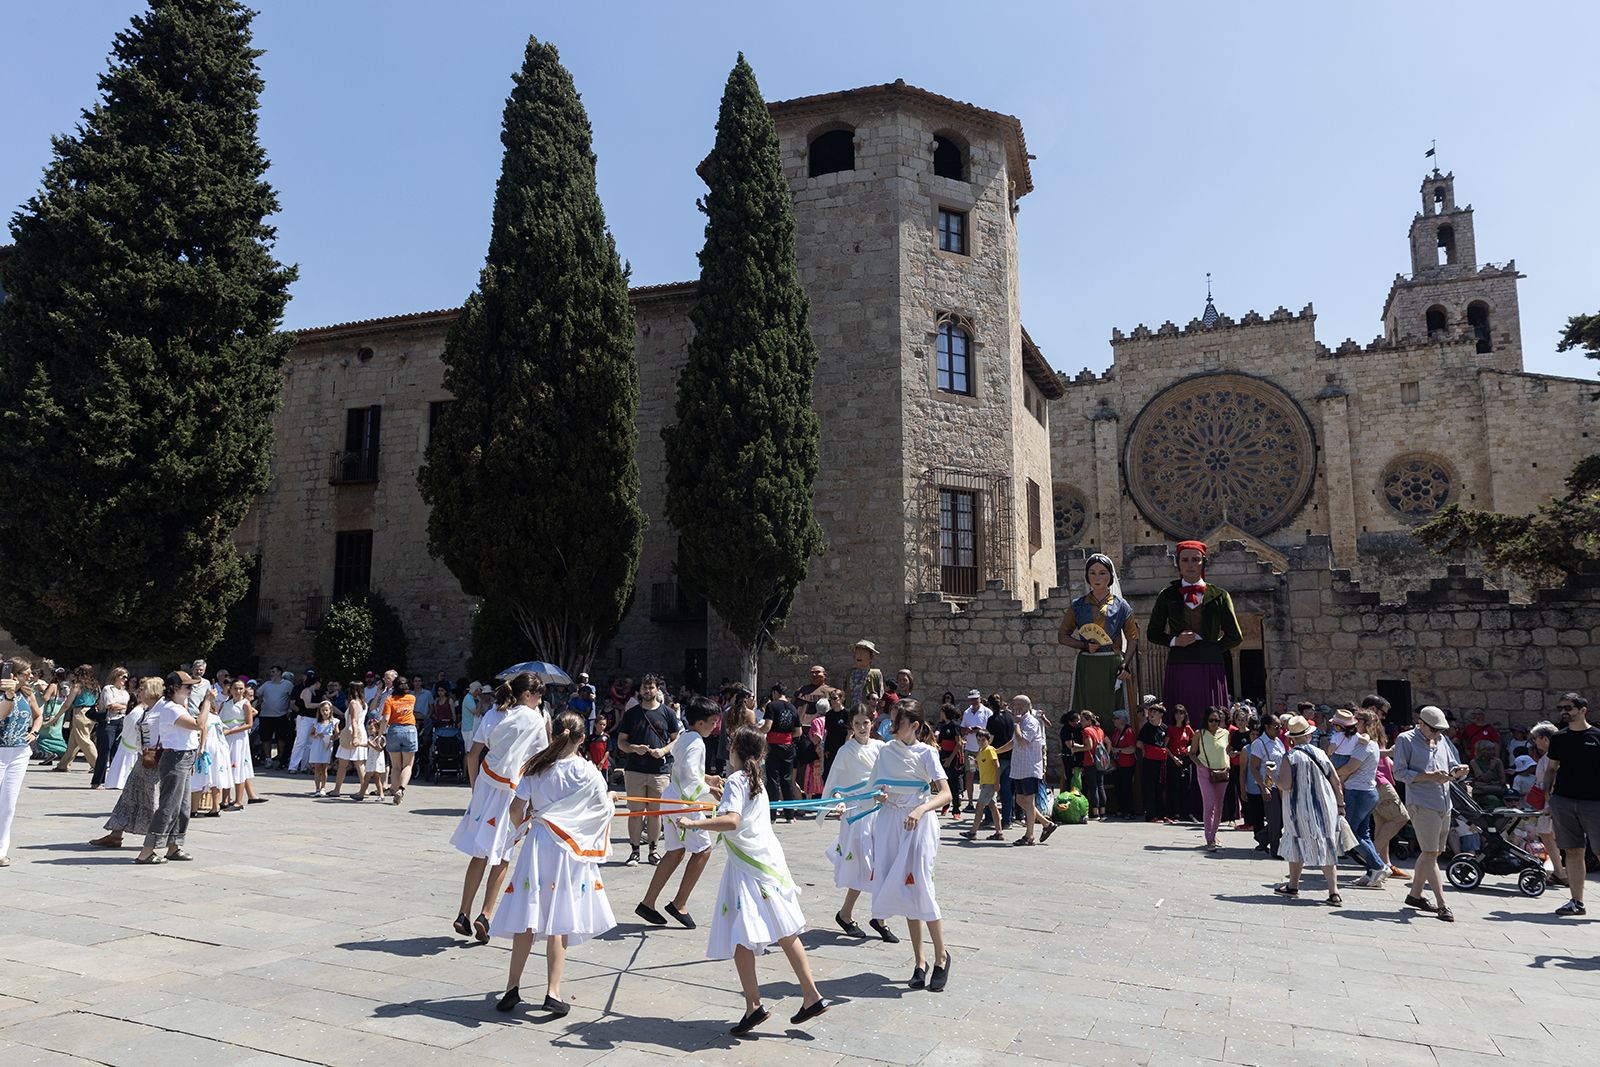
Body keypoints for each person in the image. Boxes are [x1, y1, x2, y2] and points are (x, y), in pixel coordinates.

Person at [689, 726, 829, 1037]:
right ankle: (810, 995)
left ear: (734, 750)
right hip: (766, 863)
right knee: (783, 930)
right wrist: (719, 798)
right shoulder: (755, 781)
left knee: (743, 933)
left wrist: (695, 822)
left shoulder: (738, 781)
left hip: (748, 869)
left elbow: (732, 821)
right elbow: (739, 812)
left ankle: (754, 1006)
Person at [491, 711, 617, 1017]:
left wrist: (527, 824)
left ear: (553, 734)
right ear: (581, 738)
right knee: (560, 917)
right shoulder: (588, 772)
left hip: (539, 845)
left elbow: (515, 810)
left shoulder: (536, 768)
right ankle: (552, 991)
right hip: (569, 851)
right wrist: (611, 800)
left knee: (528, 912)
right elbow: (601, 811)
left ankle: (512, 986)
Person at [452, 675, 549, 943]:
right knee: (503, 854)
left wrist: (474, 788)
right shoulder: (534, 719)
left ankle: (463, 912)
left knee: (479, 852)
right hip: (512, 790)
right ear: (528, 694)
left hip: (485, 784)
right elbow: (541, 761)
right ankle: (485, 913)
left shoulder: (493, 714)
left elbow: (472, 754)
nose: (540, 701)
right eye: (539, 696)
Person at [868, 701, 953, 992]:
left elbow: (945, 794)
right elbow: (876, 788)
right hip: (891, 821)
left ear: (914, 726)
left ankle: (941, 956)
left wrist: (920, 810)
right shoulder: (886, 751)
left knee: (921, 887)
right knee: (905, 888)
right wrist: (879, 795)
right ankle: (920, 961)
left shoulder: (927, 753)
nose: (891, 729)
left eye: (897, 723)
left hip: (918, 823)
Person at [636, 697, 722, 929]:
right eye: (713, 721)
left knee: (675, 852)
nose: (715, 725)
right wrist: (710, 789)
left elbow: (684, 770)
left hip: (671, 797)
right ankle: (679, 903)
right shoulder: (696, 742)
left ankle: (648, 902)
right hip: (684, 802)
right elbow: (690, 779)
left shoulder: (685, 736)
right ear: (701, 722)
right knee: (703, 850)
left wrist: (708, 779)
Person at [822, 704, 895, 941]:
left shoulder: (882, 748)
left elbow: (889, 778)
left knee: (881, 865)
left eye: (865, 723)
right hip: (857, 816)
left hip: (880, 813)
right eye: (857, 724)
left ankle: (878, 917)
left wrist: (887, 793)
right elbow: (835, 785)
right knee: (864, 867)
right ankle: (846, 914)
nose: (862, 728)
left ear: (872, 723)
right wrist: (838, 802)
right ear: (851, 725)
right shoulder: (846, 751)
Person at [1392, 705, 1467, 922]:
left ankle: (1415, 895)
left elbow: (1452, 766)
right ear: (1421, 724)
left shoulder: (1443, 740)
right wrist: (1430, 776)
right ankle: (1443, 904)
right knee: (1430, 853)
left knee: (1431, 853)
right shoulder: (1405, 739)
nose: (1437, 734)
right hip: (1422, 802)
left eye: (1440, 730)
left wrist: (1459, 771)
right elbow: (1399, 772)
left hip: (1444, 802)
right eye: (1433, 729)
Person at [1059, 553, 1139, 736]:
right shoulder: (1077, 606)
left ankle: (1116, 752)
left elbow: (1133, 638)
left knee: (1113, 709)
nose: (1097, 578)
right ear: (1087, 576)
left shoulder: (1122, 606)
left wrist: (1125, 664)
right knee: (1086, 708)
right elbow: (1062, 636)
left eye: (1102, 573)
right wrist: (1084, 646)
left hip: (1112, 665)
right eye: (1093, 573)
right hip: (1087, 665)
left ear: (1110, 576)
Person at [134, 672, 206, 865]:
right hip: (175, 758)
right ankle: (146, 851)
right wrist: (207, 702)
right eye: (187, 687)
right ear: (175, 688)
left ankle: (174, 846)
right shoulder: (171, 709)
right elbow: (199, 725)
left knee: (183, 807)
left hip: (184, 757)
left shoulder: (178, 706)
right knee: (169, 805)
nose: (191, 690)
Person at [1273, 715, 1345, 906]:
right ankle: (1333, 892)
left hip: (1299, 809)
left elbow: (1285, 785)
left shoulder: (1290, 757)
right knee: (1326, 845)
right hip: (1325, 807)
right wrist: (1340, 805)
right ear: (1308, 735)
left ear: (1291, 738)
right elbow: (1336, 781)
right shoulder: (1321, 753)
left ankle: (1293, 884)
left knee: (1296, 842)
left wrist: (1272, 775)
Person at [90, 677, 164, 850]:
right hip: (143, 758)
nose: (139, 691)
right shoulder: (146, 710)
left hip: (154, 762)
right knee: (128, 797)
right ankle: (116, 834)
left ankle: (158, 838)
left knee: (153, 799)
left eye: (143, 688)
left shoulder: (161, 710)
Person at [1545, 694, 1600, 917]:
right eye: (1560, 708)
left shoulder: (1597, 737)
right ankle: (1577, 902)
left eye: (1568, 707)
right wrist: (1549, 796)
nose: (1563, 711)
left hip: (1595, 802)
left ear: (1583, 709)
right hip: (1564, 801)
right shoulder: (1559, 738)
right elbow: (1551, 768)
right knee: (1573, 851)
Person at [617, 674, 677, 866]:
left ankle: (653, 850)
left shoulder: (667, 713)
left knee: (655, 812)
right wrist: (634, 748)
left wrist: (664, 750)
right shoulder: (631, 713)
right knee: (636, 812)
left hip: (659, 770)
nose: (648, 691)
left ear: (657, 690)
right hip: (635, 769)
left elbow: (676, 738)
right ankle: (634, 851)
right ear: (640, 690)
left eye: (651, 687)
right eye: (645, 687)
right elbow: (621, 742)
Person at [1, 659, 45, 867]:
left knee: (8, 804)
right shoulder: (3, 694)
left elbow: (38, 716)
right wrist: (8, 696)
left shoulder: (28, 694)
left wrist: (34, 732)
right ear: (12, 674)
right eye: (25, 673)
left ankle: (1, 850)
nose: (29, 677)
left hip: (19, 753)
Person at [1337, 709, 1388, 888]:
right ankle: (1372, 872)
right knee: (1362, 834)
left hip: (1358, 793)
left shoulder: (1363, 744)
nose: (1353, 722)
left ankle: (1378, 866)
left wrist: (1331, 774)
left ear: (1364, 722)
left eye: (1356, 719)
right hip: (1366, 792)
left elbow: (1351, 767)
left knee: (1349, 834)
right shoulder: (1370, 742)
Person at [1009, 695, 1055, 846]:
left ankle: (1029, 836)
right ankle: (1046, 824)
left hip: (1029, 768)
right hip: (1019, 768)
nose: (1012, 707)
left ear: (1022, 707)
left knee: (1028, 801)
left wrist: (1016, 724)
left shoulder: (1030, 722)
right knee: (1020, 800)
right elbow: (1014, 742)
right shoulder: (1021, 722)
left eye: (1015, 705)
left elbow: (1022, 741)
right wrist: (997, 751)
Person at [1526, 721, 1566, 887]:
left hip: (1550, 801)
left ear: (1545, 739)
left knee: (1549, 836)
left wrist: (1549, 802)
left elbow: (1554, 780)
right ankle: (1560, 871)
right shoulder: (1552, 755)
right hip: (1550, 800)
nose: (1535, 741)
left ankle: (1560, 872)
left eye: (1536, 738)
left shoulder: (1551, 757)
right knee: (1550, 836)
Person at [1190, 708, 1231, 850]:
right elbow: (1192, 753)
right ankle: (1209, 838)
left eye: (1217, 720)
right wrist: (1201, 765)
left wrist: (1228, 765)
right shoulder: (1199, 733)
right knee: (1209, 803)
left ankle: (1214, 833)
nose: (1214, 723)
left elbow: (1226, 751)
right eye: (1211, 720)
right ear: (1206, 720)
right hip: (1205, 772)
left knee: (1219, 805)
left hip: (1222, 772)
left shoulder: (1225, 733)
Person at [759, 685, 801, 818]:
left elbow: (767, 727)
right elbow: (798, 732)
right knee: (787, 779)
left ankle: (772, 814)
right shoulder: (793, 707)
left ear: (775, 692)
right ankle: (789, 815)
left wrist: (755, 730)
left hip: (773, 745)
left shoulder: (772, 706)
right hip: (788, 746)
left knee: (772, 780)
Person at [1248, 715, 1286, 855]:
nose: (1279, 729)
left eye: (1280, 726)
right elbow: (1254, 767)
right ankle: (1276, 849)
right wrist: (1263, 787)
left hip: (1281, 784)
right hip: (1269, 784)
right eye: (1276, 727)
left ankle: (1262, 836)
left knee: (1282, 817)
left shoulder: (1278, 742)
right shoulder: (1259, 743)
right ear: (1267, 727)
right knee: (1274, 817)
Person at [219, 679, 261, 806]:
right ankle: (225, 799)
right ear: (230, 689)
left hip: (238, 739)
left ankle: (238, 800)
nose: (238, 691)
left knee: (238, 768)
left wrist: (231, 731)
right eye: (235, 688)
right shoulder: (225, 704)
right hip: (226, 738)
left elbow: (249, 724)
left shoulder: (245, 704)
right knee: (227, 767)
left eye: (241, 689)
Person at [54, 665, 100, 772]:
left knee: (84, 740)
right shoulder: (96, 686)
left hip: (80, 712)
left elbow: (67, 704)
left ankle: (97, 765)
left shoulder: (77, 686)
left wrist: (57, 716)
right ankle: (63, 765)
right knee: (74, 742)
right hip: (91, 712)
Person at [90, 668, 130, 788]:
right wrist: (125, 707)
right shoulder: (108, 689)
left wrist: (122, 707)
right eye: (123, 677)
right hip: (109, 722)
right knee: (104, 752)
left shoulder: (125, 692)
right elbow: (111, 705)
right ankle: (97, 781)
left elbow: (127, 706)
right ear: (116, 676)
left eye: (126, 677)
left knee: (117, 753)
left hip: (122, 722)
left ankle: (114, 781)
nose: (125, 680)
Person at [382, 676, 418, 805]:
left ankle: (394, 788)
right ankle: (401, 789)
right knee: (408, 765)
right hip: (410, 730)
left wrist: (380, 734)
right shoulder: (412, 699)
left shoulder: (389, 700)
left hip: (394, 730)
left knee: (395, 766)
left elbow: (386, 719)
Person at [330, 686, 369, 799]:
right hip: (360, 731)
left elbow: (353, 720)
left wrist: (354, 736)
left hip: (352, 733)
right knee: (360, 763)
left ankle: (337, 789)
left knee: (343, 764)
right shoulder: (364, 703)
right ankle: (364, 788)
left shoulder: (353, 702)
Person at [254, 667, 295, 769]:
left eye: (273, 672)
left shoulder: (287, 684)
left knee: (281, 738)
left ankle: (281, 758)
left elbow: (292, 697)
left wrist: (290, 710)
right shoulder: (267, 684)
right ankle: (268, 759)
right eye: (270, 672)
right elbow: (257, 694)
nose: (271, 674)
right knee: (265, 738)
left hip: (281, 716)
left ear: (279, 673)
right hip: (265, 716)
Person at [957, 690, 988, 812]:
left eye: (976, 699)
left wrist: (979, 730)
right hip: (970, 748)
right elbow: (962, 728)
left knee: (984, 777)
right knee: (970, 775)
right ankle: (970, 802)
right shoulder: (967, 712)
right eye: (972, 699)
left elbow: (989, 731)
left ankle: (985, 803)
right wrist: (967, 730)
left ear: (980, 699)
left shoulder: (986, 712)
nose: (974, 701)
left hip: (982, 750)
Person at [1138, 702, 1169, 823]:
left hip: (1161, 761)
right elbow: (1139, 743)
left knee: (1161, 787)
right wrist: (1146, 752)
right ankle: (1151, 815)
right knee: (1149, 788)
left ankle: (1162, 814)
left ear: (1161, 714)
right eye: (1151, 712)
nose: (1151, 714)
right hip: (1150, 760)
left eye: (1155, 712)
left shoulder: (1164, 727)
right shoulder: (1146, 727)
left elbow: (1166, 742)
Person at [1165, 705, 1196, 822]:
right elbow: (1165, 746)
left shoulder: (1187, 729)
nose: (1179, 716)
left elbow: (1195, 742)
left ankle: (1187, 813)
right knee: (1174, 787)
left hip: (1186, 760)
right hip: (1173, 760)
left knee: (1186, 787)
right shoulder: (1170, 728)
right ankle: (1175, 813)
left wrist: (1189, 748)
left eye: (1181, 713)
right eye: (1177, 713)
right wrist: (1174, 758)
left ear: (1185, 715)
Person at [289, 669, 322, 774]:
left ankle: (305, 766)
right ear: (316, 683)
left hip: (314, 719)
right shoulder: (306, 691)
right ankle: (293, 766)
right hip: (304, 718)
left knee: (310, 743)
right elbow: (308, 705)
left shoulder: (316, 693)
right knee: (301, 742)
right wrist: (321, 704)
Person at [1109, 709, 1137, 818]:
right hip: (1117, 764)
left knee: (1127, 788)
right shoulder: (1116, 731)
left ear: (1121, 720)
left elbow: (1132, 749)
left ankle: (1129, 811)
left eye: (1115, 718)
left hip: (1127, 764)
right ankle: (1121, 809)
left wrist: (1119, 750)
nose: (1113, 720)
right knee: (1118, 787)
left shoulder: (1128, 731)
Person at [1079, 711, 1107, 820]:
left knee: (1093, 787)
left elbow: (1089, 746)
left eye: (1082, 720)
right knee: (1100, 786)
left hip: (1090, 762)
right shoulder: (1099, 730)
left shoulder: (1086, 730)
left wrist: (1076, 748)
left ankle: (1095, 813)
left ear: (1089, 720)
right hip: (1100, 762)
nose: (1080, 722)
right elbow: (1107, 742)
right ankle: (1103, 812)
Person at [308, 701, 337, 797]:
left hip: (327, 745)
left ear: (330, 711)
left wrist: (331, 737)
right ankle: (317, 788)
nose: (325, 712)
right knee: (317, 767)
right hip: (317, 745)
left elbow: (337, 735)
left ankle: (323, 787)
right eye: (323, 710)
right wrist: (317, 735)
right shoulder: (316, 722)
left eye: (326, 710)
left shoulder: (334, 722)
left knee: (324, 768)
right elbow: (311, 734)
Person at [1469, 739, 1508, 809]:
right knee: (1492, 800)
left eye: (1492, 749)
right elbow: (1484, 778)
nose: (1491, 752)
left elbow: (1503, 780)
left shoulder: (1498, 762)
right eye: (1488, 750)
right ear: (1481, 751)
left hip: (1497, 790)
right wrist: (1491, 768)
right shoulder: (1474, 762)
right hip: (1482, 793)